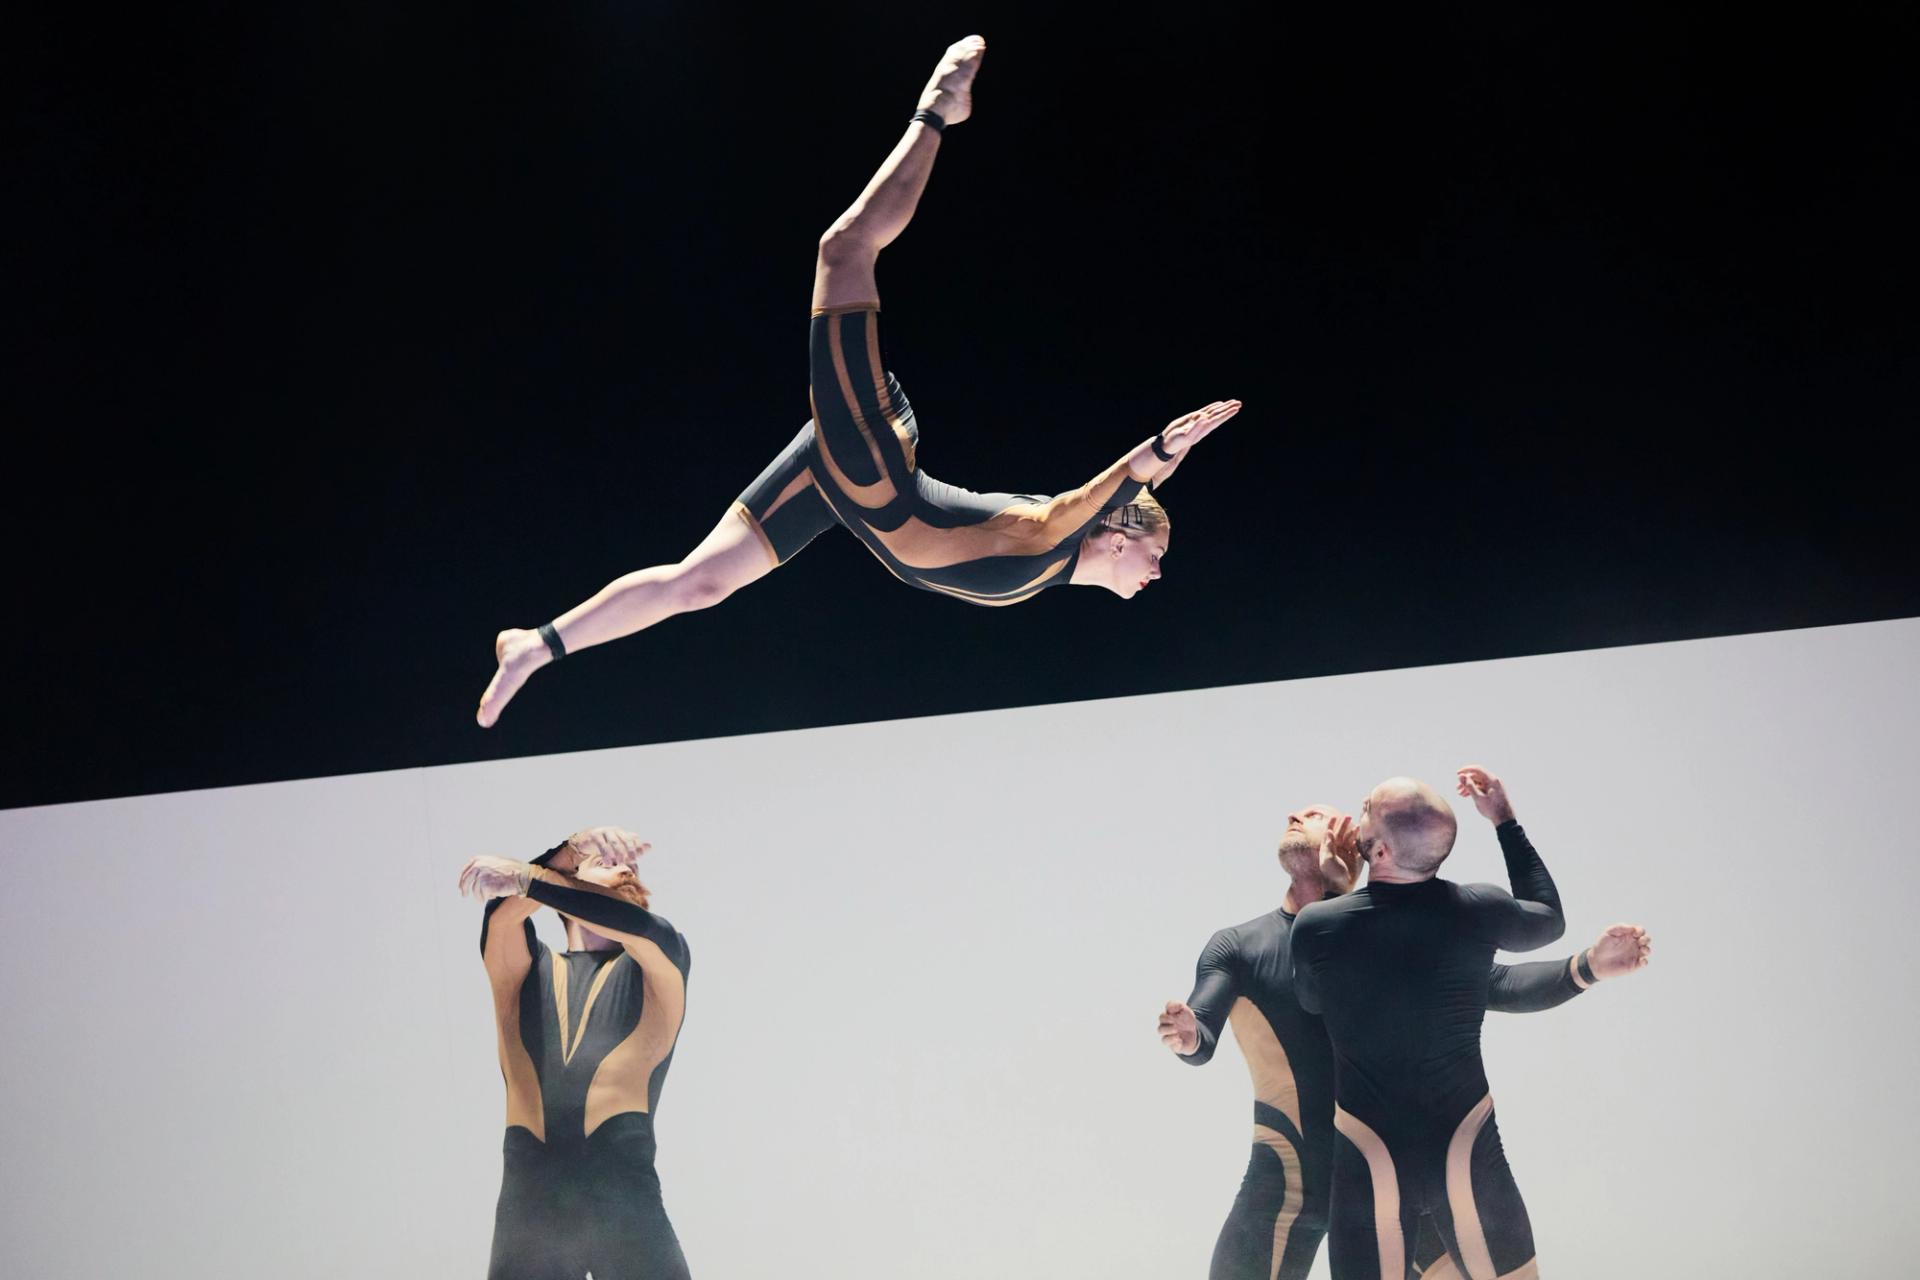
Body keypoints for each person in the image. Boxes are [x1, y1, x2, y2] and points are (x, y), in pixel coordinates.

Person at [477, 35, 1241, 726]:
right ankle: (938, 111)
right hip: (871, 462)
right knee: (843, 251)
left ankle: (536, 646)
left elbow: (1076, 513)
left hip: (845, 491)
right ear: (1115, 537)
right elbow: (1075, 506)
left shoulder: (1047, 573)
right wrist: (1152, 458)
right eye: (1157, 552)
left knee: (698, 584)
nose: (1159, 570)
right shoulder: (1048, 539)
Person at [1160, 802, 1649, 1279]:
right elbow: (1201, 1033)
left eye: (1318, 818)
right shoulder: (1240, 946)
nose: (1295, 817)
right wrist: (1189, 1036)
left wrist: (1586, 966)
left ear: (1367, 850)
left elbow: (1495, 985)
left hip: (1392, 1179)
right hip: (1292, 1185)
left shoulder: (1380, 934)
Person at [1289, 766, 1566, 1280]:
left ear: (1381, 853)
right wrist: (1504, 820)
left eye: (1366, 809)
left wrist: (1333, 889)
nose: (1359, 812)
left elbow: (1310, 1000)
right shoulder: (1476, 910)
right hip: (1467, 1151)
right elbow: (1550, 917)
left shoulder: (1319, 925)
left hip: (1368, 1159)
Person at [460, 826, 694, 1279]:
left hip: (625, 1204)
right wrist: (566, 852)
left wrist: (533, 877)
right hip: (531, 1209)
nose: (622, 866)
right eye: (600, 861)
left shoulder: (660, 962)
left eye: (627, 866)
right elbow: (500, 917)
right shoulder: (522, 971)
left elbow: (638, 927)